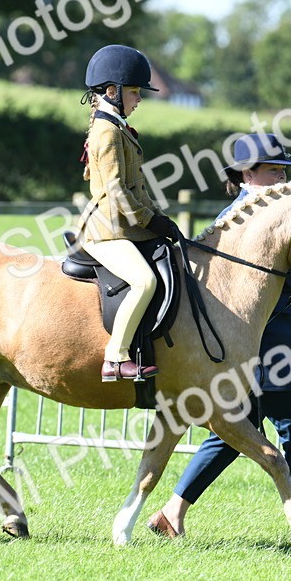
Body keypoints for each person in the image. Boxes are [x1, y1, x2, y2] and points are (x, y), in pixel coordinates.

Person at [146, 132, 291, 551]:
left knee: (234, 433)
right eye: (274, 169)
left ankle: (171, 514)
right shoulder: (241, 218)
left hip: (275, 340)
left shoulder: (271, 215)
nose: (282, 175)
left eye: (284, 169)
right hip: (263, 344)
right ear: (247, 173)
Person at [73, 44, 181, 382]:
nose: (139, 99)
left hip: (124, 227)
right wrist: (151, 221)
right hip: (105, 231)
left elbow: (138, 189)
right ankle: (116, 358)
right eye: (135, 92)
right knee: (144, 281)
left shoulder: (118, 128)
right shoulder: (106, 132)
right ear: (111, 92)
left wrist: (160, 218)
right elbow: (117, 192)